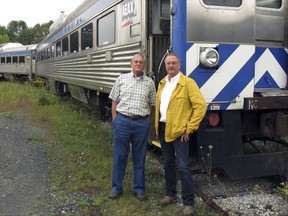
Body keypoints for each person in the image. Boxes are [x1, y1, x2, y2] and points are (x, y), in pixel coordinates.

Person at [154, 53, 207, 215]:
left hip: (179, 131)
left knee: (183, 167)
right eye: (168, 63)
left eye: (174, 63)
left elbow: (201, 106)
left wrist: (190, 127)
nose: (171, 66)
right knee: (168, 163)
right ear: (165, 66)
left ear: (179, 65)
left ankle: (188, 203)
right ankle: (170, 194)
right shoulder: (162, 83)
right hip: (163, 128)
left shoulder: (188, 83)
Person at [108, 53, 156, 201]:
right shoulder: (121, 79)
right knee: (120, 156)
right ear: (131, 64)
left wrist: (146, 120)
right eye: (136, 61)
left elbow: (152, 104)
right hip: (122, 121)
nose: (138, 64)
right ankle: (116, 188)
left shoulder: (149, 83)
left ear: (144, 65)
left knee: (139, 157)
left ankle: (139, 190)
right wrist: (116, 120)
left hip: (141, 123)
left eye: (141, 62)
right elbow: (114, 101)